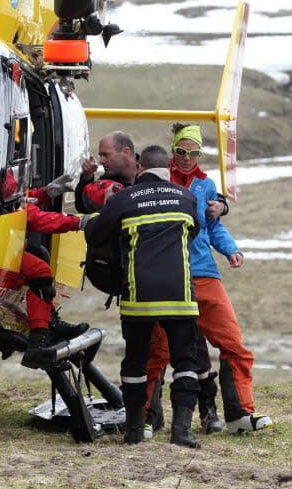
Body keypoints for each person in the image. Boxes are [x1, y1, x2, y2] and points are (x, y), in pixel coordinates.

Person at [145, 126, 273, 435]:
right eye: (181, 152)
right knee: (157, 350)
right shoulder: (160, 180)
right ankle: (147, 416)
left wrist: (231, 250)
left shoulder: (206, 184)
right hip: (168, 275)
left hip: (203, 273)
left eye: (194, 153)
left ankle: (240, 414)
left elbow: (213, 226)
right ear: (172, 151)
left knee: (233, 344)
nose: (187, 159)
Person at [83, 157, 203, 448]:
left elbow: (95, 235)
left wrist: (106, 209)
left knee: (136, 362)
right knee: (186, 361)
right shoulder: (186, 197)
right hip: (180, 296)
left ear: (140, 169)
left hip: (139, 297)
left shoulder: (125, 198)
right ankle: (182, 432)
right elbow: (194, 231)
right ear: (168, 171)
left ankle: (135, 430)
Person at [0, 170, 90, 369]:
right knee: (39, 271)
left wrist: (43, 194)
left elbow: (15, 201)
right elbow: (28, 215)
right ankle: (38, 344)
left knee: (40, 255)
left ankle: (50, 323)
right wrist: (78, 222)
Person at [74, 131, 138, 214]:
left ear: (126, 152)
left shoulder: (150, 176)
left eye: (106, 155)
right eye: (100, 156)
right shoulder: (106, 183)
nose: (101, 161)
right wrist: (86, 178)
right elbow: (83, 207)